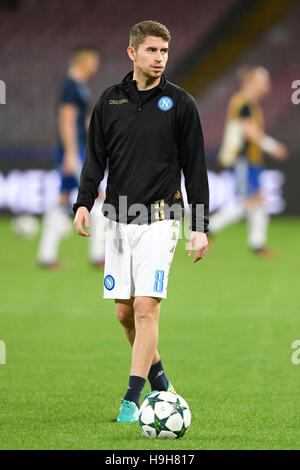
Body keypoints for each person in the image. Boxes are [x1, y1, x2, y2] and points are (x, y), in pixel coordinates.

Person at [73, 21, 209, 423]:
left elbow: (195, 167)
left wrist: (199, 225)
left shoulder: (181, 103)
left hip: (161, 218)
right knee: (124, 313)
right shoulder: (109, 101)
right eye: (151, 50)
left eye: (164, 52)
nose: (159, 58)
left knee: (147, 307)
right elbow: (95, 157)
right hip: (117, 218)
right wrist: (83, 202)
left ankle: (132, 400)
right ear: (132, 52)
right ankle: (163, 388)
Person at [37, 45, 106, 269]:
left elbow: (82, 122)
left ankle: (46, 256)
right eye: (93, 62)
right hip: (75, 152)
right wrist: (71, 153)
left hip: (76, 150)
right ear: (83, 61)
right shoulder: (71, 87)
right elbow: (66, 119)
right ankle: (99, 257)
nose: (95, 67)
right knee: (97, 197)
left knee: (64, 198)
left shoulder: (78, 87)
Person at [210, 66, 288, 257]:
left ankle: (257, 245)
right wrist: (272, 146)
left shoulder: (249, 102)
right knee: (247, 201)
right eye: (264, 81)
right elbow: (248, 130)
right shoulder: (243, 101)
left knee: (257, 200)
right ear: (252, 82)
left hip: (249, 159)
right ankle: (206, 229)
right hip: (242, 160)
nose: (267, 86)